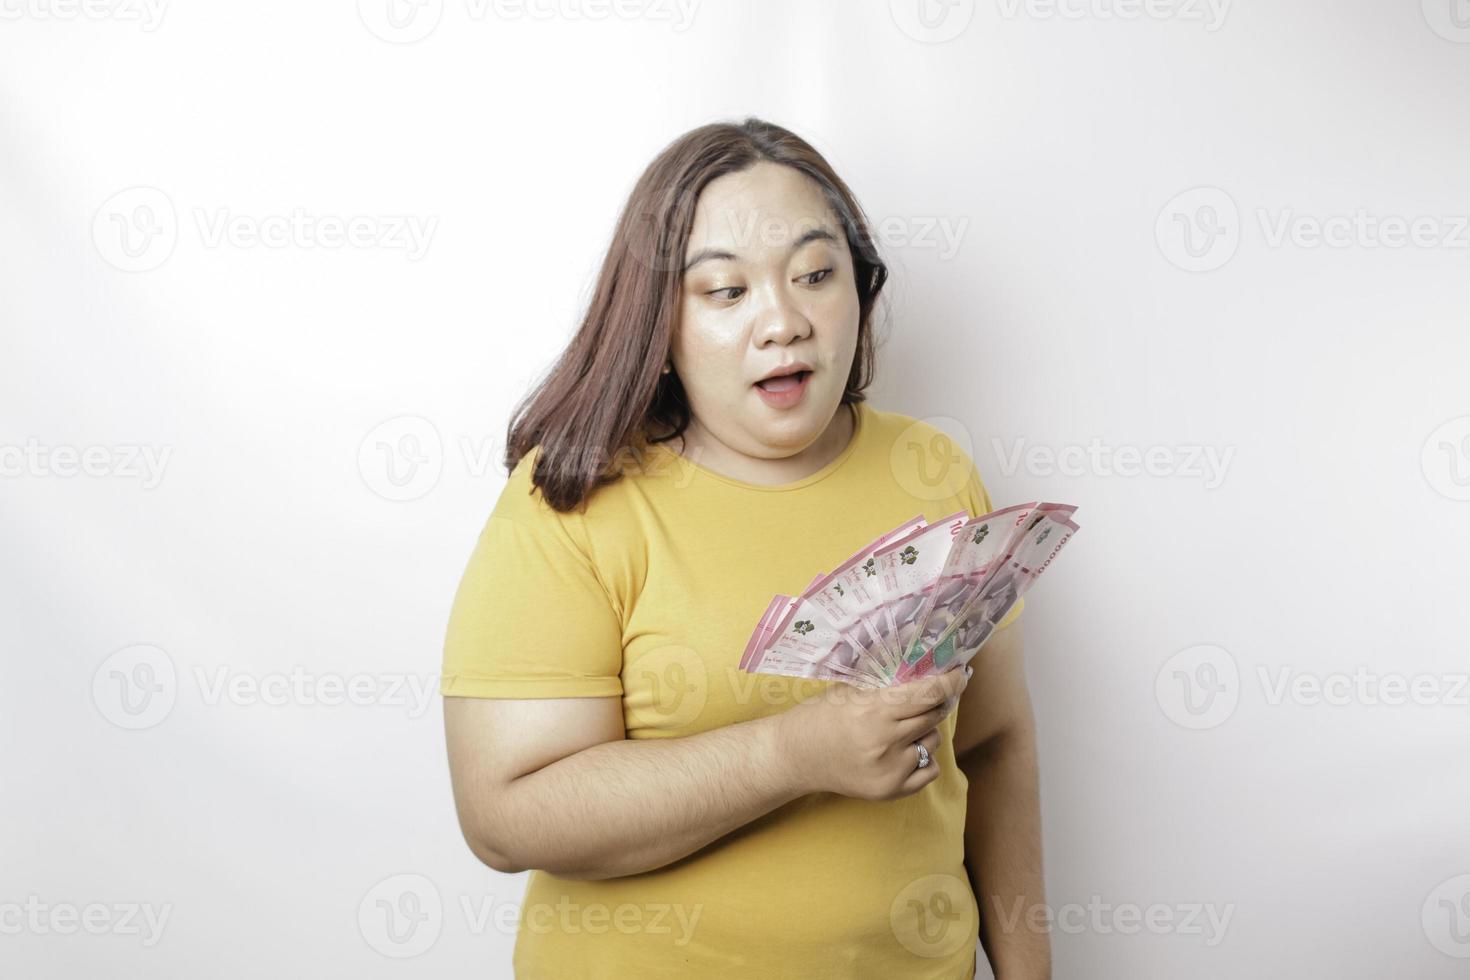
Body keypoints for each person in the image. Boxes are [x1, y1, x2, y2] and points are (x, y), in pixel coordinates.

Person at [441, 116, 1050, 979]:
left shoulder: (932, 470)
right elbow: (505, 818)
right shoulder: (577, 498)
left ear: (861, 289)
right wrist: (793, 754)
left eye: (815, 274)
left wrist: (1031, 967)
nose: (784, 322)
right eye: (726, 292)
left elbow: (992, 740)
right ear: (658, 326)